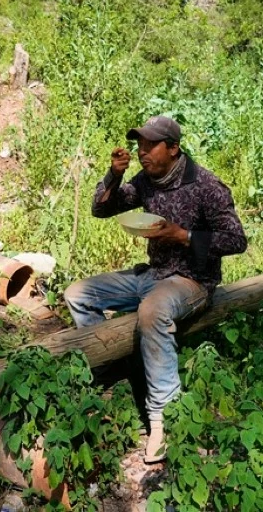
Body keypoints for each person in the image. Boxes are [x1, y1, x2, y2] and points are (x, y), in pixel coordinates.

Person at [63, 114, 247, 463]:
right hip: (153, 273)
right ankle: (109, 365)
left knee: (152, 310)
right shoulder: (148, 179)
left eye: (150, 145)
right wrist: (114, 176)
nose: (142, 152)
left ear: (174, 148)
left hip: (191, 280)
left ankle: (163, 417)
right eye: (139, 145)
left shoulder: (206, 185)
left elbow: (237, 240)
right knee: (78, 294)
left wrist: (184, 236)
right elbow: (102, 210)